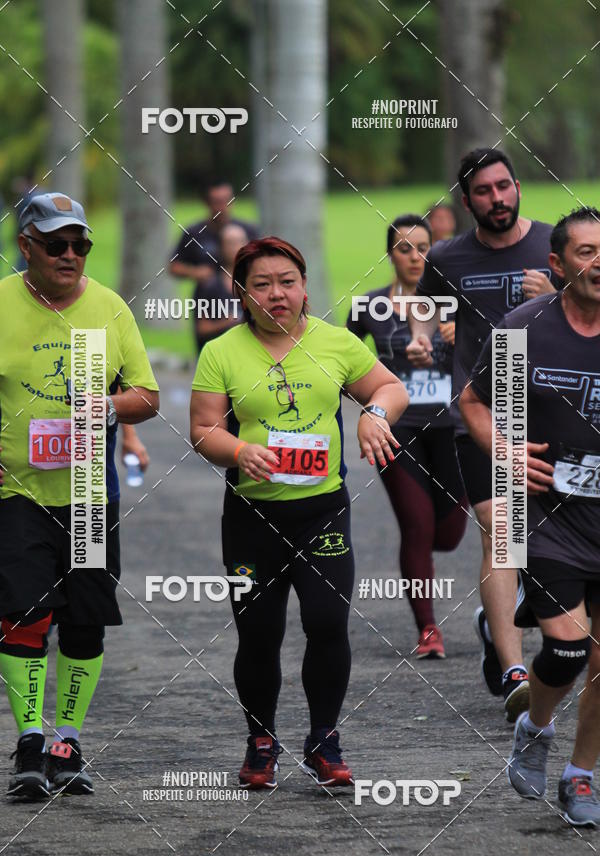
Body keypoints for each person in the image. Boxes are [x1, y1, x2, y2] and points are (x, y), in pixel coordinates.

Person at [190, 236, 408, 789]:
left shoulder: (335, 344)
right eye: (261, 285)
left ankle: (324, 740)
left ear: (304, 287)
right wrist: (240, 451)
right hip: (251, 518)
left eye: (287, 282)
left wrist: (374, 414)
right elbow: (203, 430)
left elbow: (388, 385)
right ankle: (261, 741)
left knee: (328, 622)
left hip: (322, 514)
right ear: (241, 293)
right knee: (258, 635)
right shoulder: (221, 352)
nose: (276, 294)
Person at [0, 192, 159, 799]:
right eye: (57, 245)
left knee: (86, 619)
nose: (71, 256)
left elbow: (147, 394)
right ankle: (31, 740)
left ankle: (67, 738)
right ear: (26, 248)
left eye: (81, 245)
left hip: (90, 492)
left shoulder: (110, 309)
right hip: (17, 491)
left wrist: (108, 406)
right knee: (23, 611)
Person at [460, 206, 600, 826]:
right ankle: (535, 727)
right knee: (568, 651)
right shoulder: (526, 328)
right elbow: (477, 402)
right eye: (586, 252)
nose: (599, 262)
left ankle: (582, 775)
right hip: (546, 511)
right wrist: (507, 450)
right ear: (558, 264)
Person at [407, 147, 557, 722]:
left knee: (548, 541)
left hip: (554, 412)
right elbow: (425, 307)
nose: (498, 199)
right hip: (483, 410)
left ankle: (507, 617)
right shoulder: (447, 256)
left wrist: (554, 296)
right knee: (503, 529)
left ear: (517, 186)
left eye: (505, 187)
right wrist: (423, 337)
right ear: (466, 201)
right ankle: (518, 672)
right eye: (484, 192)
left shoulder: (555, 242)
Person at [347, 215, 467, 658]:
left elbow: (502, 353)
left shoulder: (458, 303)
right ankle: (428, 629)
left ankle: (427, 566)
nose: (415, 257)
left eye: (423, 248)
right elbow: (339, 365)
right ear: (390, 254)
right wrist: (386, 375)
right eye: (404, 248)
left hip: (454, 429)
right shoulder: (368, 306)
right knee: (416, 527)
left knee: (449, 535)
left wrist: (466, 337)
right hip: (396, 432)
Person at [169, 180, 259, 301]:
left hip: (242, 297)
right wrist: (196, 272)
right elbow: (174, 266)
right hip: (207, 300)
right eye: (217, 202)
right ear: (206, 203)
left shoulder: (247, 230)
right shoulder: (195, 233)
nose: (222, 207)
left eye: (227, 201)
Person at [191, 222, 248, 357]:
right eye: (230, 242)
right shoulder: (209, 285)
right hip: (217, 355)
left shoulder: (256, 283)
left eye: (239, 242)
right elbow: (201, 328)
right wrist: (228, 322)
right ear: (221, 247)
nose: (234, 247)